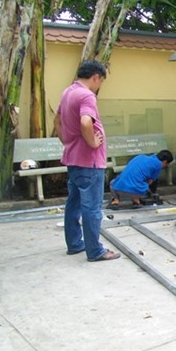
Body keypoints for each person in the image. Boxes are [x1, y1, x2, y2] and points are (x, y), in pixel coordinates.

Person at [54, 59, 121, 262]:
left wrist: (67, 142)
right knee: (91, 207)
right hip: (89, 161)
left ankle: (75, 244)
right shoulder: (86, 95)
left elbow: (57, 120)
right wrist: (92, 142)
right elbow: (85, 122)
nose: (99, 85)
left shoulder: (68, 92)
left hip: (73, 158)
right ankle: (95, 251)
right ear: (96, 77)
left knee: (73, 204)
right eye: (101, 81)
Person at [108, 150, 173, 209]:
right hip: (136, 191)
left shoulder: (140, 157)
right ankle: (136, 201)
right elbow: (150, 182)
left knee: (112, 183)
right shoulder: (158, 164)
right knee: (142, 183)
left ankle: (115, 201)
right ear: (165, 161)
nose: (166, 166)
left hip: (118, 189)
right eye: (167, 164)